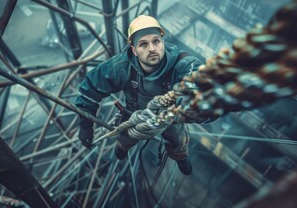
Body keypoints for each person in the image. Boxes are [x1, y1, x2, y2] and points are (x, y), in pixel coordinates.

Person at [75, 15, 203, 175]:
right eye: (143, 44)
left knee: (176, 136)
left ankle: (179, 156)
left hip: (168, 116)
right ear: (134, 50)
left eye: (156, 41)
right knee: (126, 133)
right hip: (135, 113)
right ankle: (123, 146)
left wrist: (197, 97)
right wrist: (85, 124)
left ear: (162, 42)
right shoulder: (121, 67)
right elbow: (91, 87)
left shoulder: (181, 64)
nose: (152, 49)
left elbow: (198, 76)